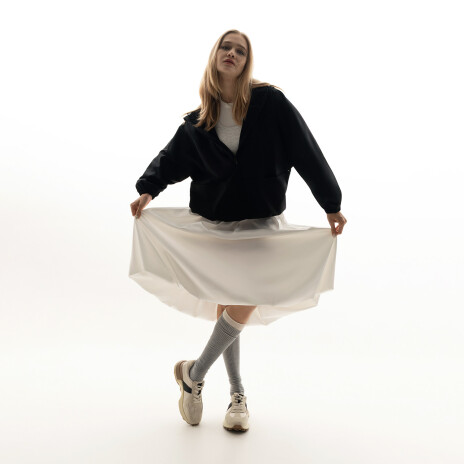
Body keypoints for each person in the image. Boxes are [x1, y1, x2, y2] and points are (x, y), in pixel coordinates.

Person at [129, 29, 347, 433]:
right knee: (230, 302)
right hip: (216, 226)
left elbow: (306, 150)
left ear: (247, 62)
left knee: (245, 297)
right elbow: (169, 161)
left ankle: (194, 373)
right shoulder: (197, 123)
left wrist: (331, 203)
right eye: (225, 47)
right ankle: (237, 396)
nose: (232, 53)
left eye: (240, 50)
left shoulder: (271, 103)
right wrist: (147, 190)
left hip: (261, 224)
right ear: (215, 57)